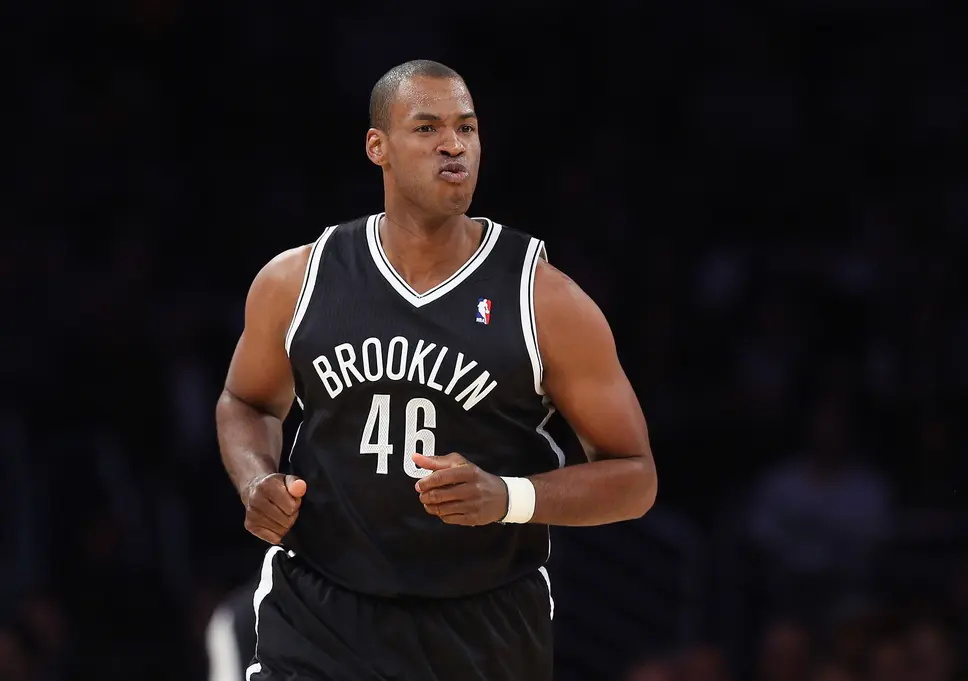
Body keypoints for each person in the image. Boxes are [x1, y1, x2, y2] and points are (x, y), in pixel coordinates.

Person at [215, 58, 657, 681]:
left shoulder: (543, 299)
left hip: (480, 623)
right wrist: (256, 480)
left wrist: (510, 497)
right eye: (427, 128)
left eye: (466, 128)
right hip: (321, 610)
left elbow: (636, 476)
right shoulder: (299, 279)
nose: (454, 145)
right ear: (378, 147)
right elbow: (245, 402)